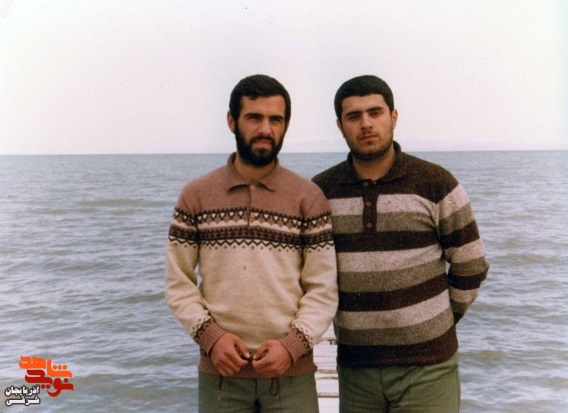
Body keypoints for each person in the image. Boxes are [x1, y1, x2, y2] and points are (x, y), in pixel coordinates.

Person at [312, 75, 489, 413]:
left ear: (393, 117)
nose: (366, 124)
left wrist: (436, 321)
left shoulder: (436, 182)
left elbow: (471, 264)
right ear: (340, 125)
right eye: (354, 116)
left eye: (375, 112)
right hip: (356, 369)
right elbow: (310, 274)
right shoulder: (321, 191)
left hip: (428, 368)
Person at [165, 74, 338, 413]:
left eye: (276, 120)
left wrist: (292, 347)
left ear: (286, 125)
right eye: (254, 118)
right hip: (221, 374)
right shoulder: (196, 195)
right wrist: (211, 338)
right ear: (232, 121)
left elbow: (323, 288)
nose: (265, 129)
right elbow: (178, 283)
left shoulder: (308, 197)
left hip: (291, 373)